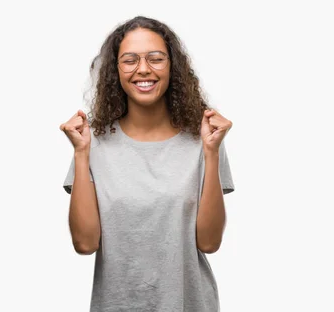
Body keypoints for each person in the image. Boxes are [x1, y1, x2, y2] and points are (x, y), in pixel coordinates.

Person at [59, 16, 235, 311]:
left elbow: (209, 242)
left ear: (172, 67)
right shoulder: (93, 142)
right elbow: (85, 244)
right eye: (130, 60)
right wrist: (80, 154)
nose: (143, 69)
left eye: (156, 58)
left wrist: (212, 153)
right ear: (116, 71)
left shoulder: (204, 140)